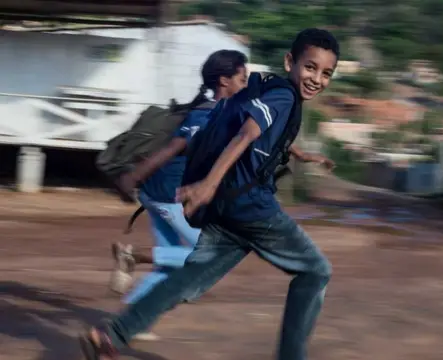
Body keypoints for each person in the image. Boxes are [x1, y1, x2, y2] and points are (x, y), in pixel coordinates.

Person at [79, 28, 339, 360]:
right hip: (250, 207)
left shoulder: (272, 90)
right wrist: (209, 184)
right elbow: (248, 132)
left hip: (227, 206)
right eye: (310, 67)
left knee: (189, 278)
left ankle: (112, 335)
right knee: (316, 271)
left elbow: (267, 138)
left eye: (326, 73)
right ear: (291, 61)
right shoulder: (285, 97)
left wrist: (301, 156)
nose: (316, 78)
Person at [108, 49, 249, 340]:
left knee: (171, 266)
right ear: (225, 81)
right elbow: (172, 149)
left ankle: (135, 318)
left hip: (160, 194)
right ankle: (132, 255)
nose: (246, 85)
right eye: (243, 79)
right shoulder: (209, 114)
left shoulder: (218, 112)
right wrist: (134, 177)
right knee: (209, 255)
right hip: (168, 195)